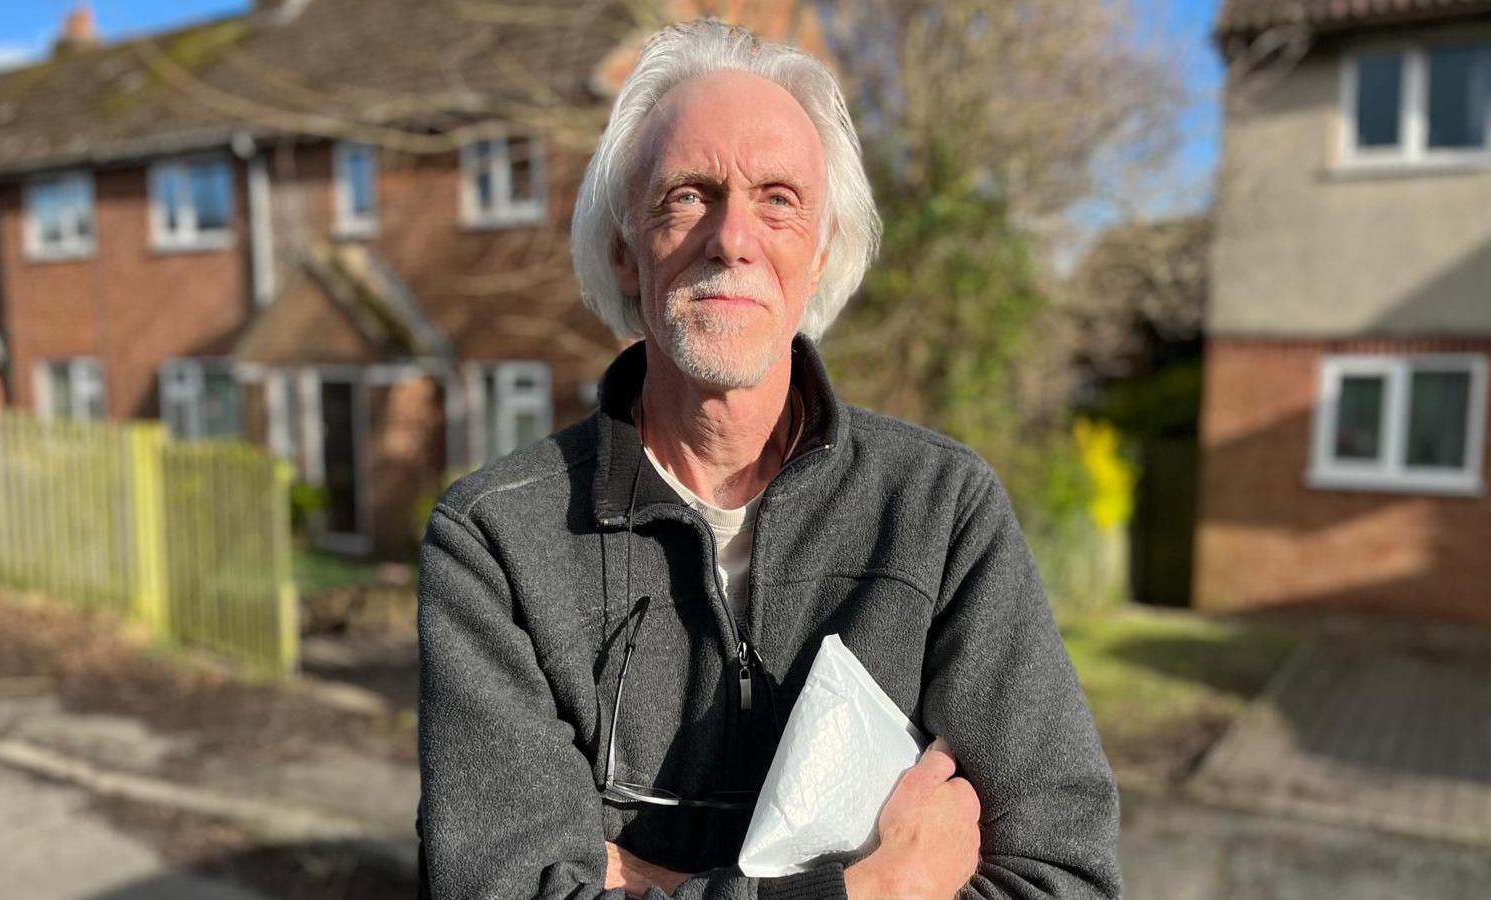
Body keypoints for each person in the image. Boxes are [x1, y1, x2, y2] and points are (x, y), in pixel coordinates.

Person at [416, 19, 1121, 900]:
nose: (733, 237)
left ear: (821, 252)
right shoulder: (495, 544)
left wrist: (641, 880)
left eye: (779, 197)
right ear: (625, 248)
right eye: (687, 195)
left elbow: (1065, 879)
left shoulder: (940, 511)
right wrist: (879, 889)